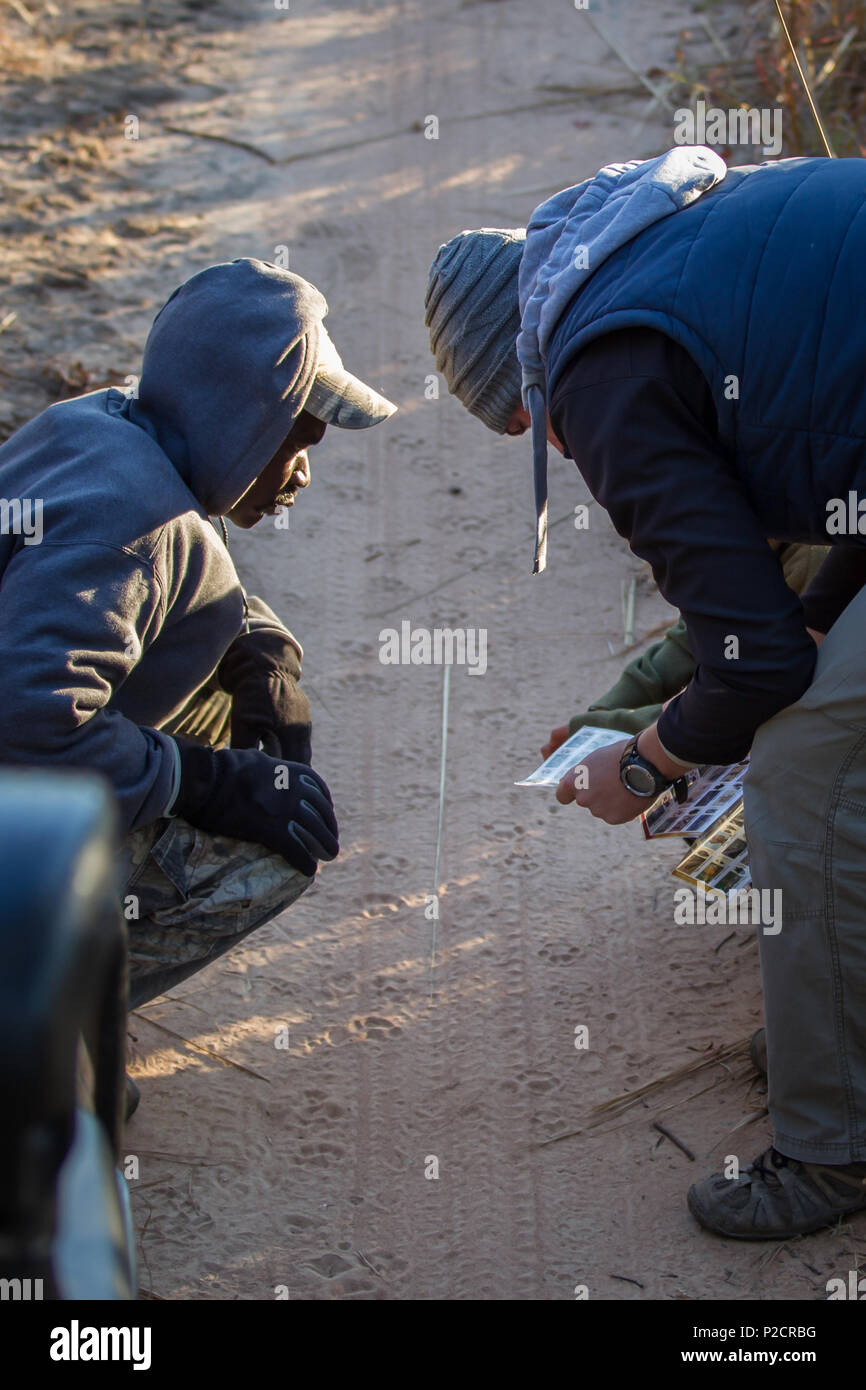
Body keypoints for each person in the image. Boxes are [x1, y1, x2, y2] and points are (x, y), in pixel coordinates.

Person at [425, 146, 866, 1240]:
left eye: (533, 424)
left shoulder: (602, 366)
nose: (561, 443)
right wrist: (816, 611)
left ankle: (831, 1147)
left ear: (526, 378)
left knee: (807, 766)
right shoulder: (671, 234)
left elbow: (754, 664)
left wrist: (639, 766)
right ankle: (840, 1025)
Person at [0, 258, 396, 1115]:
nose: (303, 470)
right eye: (299, 436)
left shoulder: (101, 426)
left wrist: (265, 657)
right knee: (271, 844)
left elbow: (170, 583)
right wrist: (209, 782)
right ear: (242, 422)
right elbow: (31, 724)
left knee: (221, 718)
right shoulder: (133, 527)